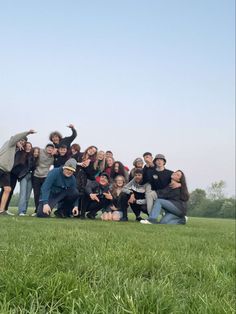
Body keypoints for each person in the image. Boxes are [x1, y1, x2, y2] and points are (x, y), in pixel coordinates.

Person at [0, 129, 36, 215]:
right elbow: (14, 138)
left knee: (8, 189)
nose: (22, 142)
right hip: (0, 167)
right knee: (6, 189)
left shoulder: (18, 149)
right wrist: (28, 132)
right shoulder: (10, 143)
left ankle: (1, 210)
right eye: (21, 140)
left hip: (6, 171)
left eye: (24, 141)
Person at [32, 143, 55, 214]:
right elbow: (33, 150)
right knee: (36, 194)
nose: (50, 149)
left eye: (51, 148)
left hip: (45, 177)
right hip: (36, 175)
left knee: (44, 194)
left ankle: (43, 209)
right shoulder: (40, 151)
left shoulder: (53, 157)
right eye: (48, 147)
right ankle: (37, 210)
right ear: (46, 148)